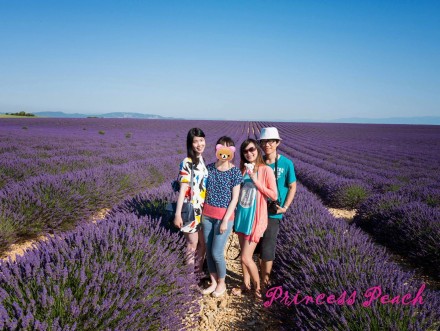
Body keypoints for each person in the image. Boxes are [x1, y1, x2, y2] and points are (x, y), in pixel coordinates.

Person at [232, 139, 277, 300]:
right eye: (245, 151)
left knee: (246, 257)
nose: (249, 153)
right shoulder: (243, 170)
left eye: (252, 150)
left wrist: (257, 181)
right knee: (242, 255)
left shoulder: (265, 170)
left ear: (257, 150)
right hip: (242, 218)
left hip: (255, 220)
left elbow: (274, 195)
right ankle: (245, 284)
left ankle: (258, 289)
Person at [201, 136, 242, 297]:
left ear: (232, 152)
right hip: (207, 216)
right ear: (217, 150)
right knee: (209, 251)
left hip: (224, 218)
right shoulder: (209, 168)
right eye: (221, 148)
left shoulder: (235, 172)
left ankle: (222, 283)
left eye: (228, 148)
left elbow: (235, 199)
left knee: (217, 252)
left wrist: (225, 220)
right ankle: (213, 281)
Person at [258, 127, 297, 291]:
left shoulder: (286, 163)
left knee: (268, 246)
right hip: (256, 210)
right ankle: (255, 279)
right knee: (255, 245)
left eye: (270, 141)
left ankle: (264, 282)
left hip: (273, 212)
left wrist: (285, 207)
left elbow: (292, 186)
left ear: (277, 143)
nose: (267, 144)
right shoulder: (258, 162)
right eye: (264, 142)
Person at [174, 128, 209, 274]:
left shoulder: (202, 160)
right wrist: (177, 214)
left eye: (201, 140)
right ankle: (189, 280)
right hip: (190, 210)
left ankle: (198, 274)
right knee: (192, 244)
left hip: (203, 210)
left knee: (203, 244)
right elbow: (183, 189)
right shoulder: (187, 162)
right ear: (190, 144)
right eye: (195, 141)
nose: (199, 144)